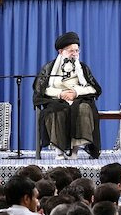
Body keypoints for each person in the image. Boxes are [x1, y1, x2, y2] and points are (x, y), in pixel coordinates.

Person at [33, 31, 102, 159]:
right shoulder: (49, 68)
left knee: (84, 108)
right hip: (56, 100)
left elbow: (93, 88)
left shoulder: (82, 68)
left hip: (78, 99)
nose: (75, 54)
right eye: (71, 51)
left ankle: (75, 151)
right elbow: (41, 89)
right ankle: (59, 151)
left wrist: (76, 92)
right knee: (57, 110)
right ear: (61, 51)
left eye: (77, 51)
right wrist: (60, 94)